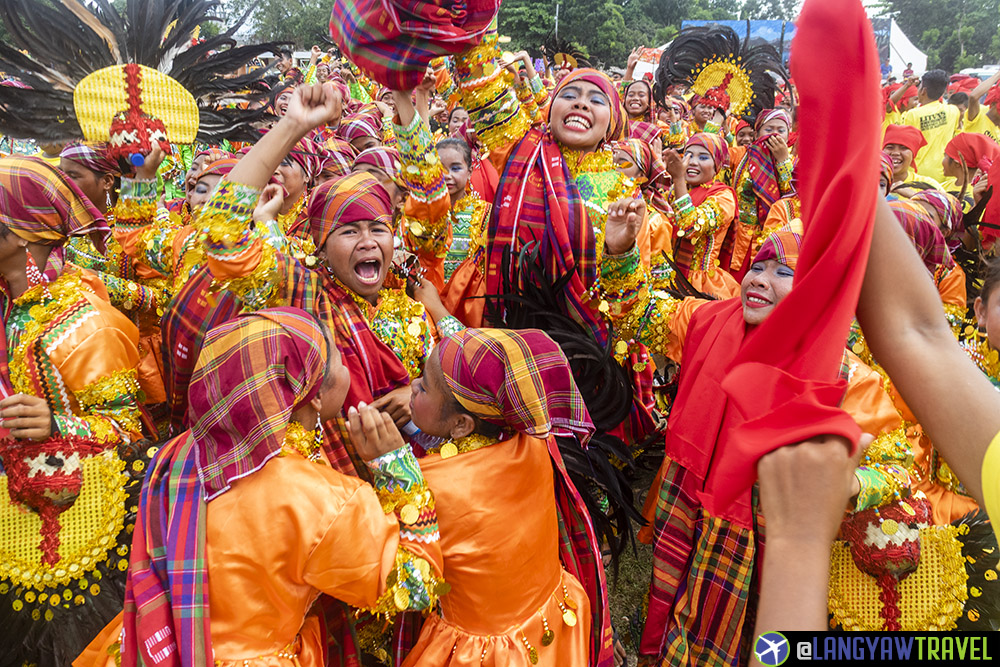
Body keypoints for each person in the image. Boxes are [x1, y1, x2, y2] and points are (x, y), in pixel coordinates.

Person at [118, 308, 445, 667]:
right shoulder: (317, 497)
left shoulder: (177, 454)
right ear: (314, 396)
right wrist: (396, 468)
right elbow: (414, 586)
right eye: (335, 358)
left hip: (168, 644)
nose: (345, 368)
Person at [0, 157, 146, 667]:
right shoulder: (9, 308)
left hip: (73, 538)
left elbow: (131, 434)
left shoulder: (88, 323)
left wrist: (57, 423)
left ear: (20, 235)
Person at [403, 328, 617, 666]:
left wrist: (387, 462)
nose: (412, 386)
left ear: (461, 426)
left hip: (482, 655)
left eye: (424, 386)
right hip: (552, 621)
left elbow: (403, 579)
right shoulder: (533, 441)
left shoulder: (430, 484)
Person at [661, 132, 740, 298]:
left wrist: (679, 179)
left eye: (703, 157)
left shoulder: (723, 197)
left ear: (716, 165)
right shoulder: (673, 191)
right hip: (667, 276)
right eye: (688, 155)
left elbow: (690, 228)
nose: (692, 162)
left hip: (702, 284)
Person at [725, 108, 795, 280]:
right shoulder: (742, 155)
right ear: (757, 133)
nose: (774, 135)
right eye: (768, 130)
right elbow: (715, 153)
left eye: (780, 130)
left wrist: (783, 160)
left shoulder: (793, 161)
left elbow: (792, 196)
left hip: (773, 237)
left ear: (788, 134)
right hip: (738, 236)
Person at [900, 69, 961, 182]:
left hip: (918, 173)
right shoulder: (953, 111)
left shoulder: (912, 114)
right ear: (943, 92)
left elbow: (905, 145)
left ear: (923, 91)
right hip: (944, 172)